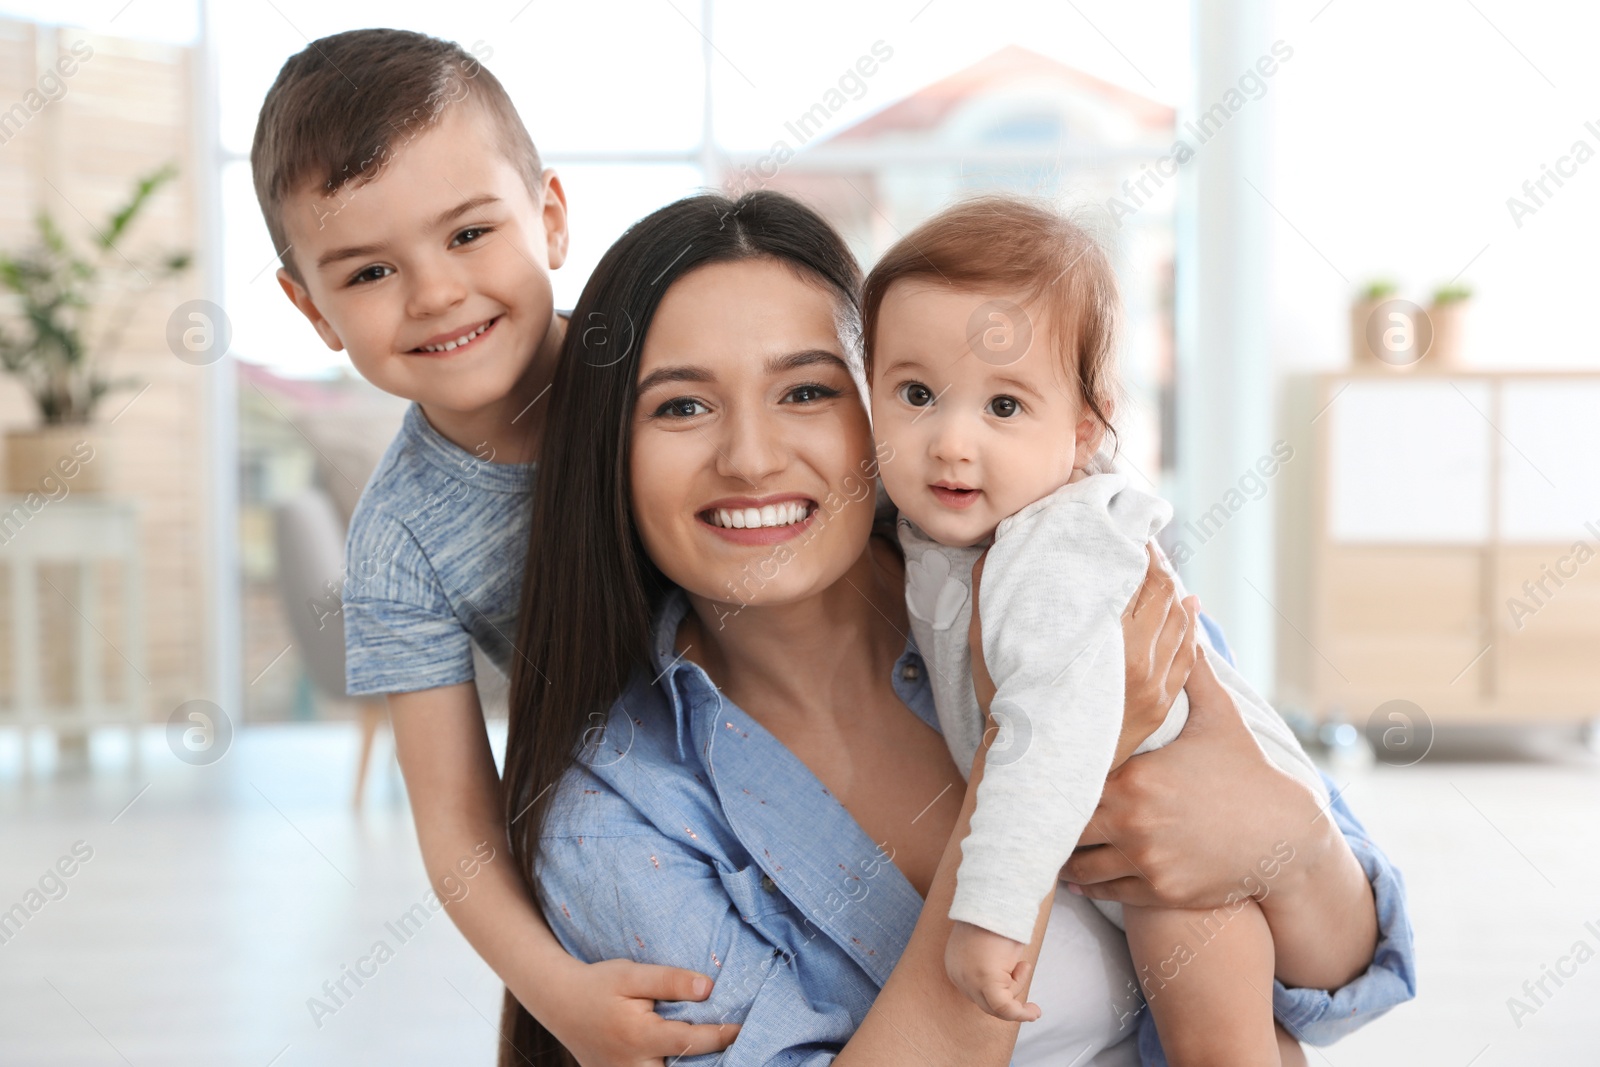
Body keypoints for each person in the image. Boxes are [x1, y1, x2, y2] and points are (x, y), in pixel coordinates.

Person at [503, 190, 1417, 1066]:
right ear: (608, 451)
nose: (750, 457)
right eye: (682, 406)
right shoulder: (617, 812)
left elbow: (1342, 976)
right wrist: (1013, 777)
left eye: (807, 392)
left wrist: (1288, 841)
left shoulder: (1059, 570)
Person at [249, 29, 739, 1064]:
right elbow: (461, 833)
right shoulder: (399, 542)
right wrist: (562, 995)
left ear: (550, 218)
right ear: (311, 309)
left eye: (469, 234)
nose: (434, 293)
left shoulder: (669, 356)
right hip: (657, 820)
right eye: (372, 269)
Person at [863, 195, 1345, 1065]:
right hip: (1140, 845)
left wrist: (992, 917)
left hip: (1196, 856)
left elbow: (1045, 741)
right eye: (917, 394)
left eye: (1004, 406)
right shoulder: (928, 526)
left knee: (1217, 1039)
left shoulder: (1053, 548)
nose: (950, 441)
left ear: (1082, 431)